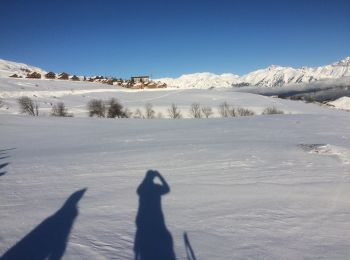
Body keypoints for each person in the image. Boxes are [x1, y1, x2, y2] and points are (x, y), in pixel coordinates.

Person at [134, 170, 176, 260]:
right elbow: (167, 189)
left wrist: (146, 178)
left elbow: (139, 189)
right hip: (155, 218)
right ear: (153, 178)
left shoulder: (142, 189)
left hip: (142, 218)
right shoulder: (156, 188)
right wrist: (160, 176)